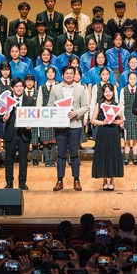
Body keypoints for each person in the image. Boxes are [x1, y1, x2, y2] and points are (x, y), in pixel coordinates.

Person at [49, 64, 88, 192]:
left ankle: (76, 179)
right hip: (60, 125)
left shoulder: (80, 88)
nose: (69, 75)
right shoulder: (55, 89)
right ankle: (59, 180)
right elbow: (50, 106)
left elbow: (86, 106)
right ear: (62, 75)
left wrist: (77, 112)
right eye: (67, 73)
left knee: (74, 154)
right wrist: (56, 114)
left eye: (72, 73)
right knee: (60, 154)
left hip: (75, 125)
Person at [89, 82, 124, 191]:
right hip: (103, 132)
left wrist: (114, 121)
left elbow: (122, 120)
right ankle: (104, 180)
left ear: (113, 92)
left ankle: (112, 180)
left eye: (110, 91)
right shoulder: (99, 104)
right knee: (103, 155)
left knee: (113, 155)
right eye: (106, 92)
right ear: (103, 93)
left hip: (113, 132)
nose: (108, 93)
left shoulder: (116, 105)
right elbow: (93, 120)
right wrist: (103, 122)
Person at [1, 77, 31, 191]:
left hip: (24, 133)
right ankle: (9, 183)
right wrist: (4, 118)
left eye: (21, 86)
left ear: (24, 87)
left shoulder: (29, 100)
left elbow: (34, 115)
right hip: (11, 133)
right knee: (9, 160)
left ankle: (22, 183)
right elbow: (0, 116)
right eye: (16, 86)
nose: (19, 88)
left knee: (23, 160)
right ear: (12, 88)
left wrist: (31, 125)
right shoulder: (7, 100)